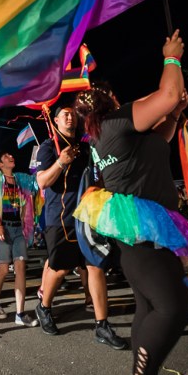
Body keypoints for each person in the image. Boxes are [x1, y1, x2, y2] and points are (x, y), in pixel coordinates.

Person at [73, 31, 188, 375]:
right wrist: (171, 57)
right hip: (144, 231)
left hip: (143, 229)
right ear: (111, 101)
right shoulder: (118, 122)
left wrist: (174, 113)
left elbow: (161, 138)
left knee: (148, 307)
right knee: (173, 309)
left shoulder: (108, 135)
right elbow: (168, 93)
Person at [34, 106, 124, 350]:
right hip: (59, 218)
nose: (70, 116)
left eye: (72, 113)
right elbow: (42, 181)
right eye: (64, 113)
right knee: (60, 268)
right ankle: (43, 307)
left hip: (88, 216)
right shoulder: (47, 146)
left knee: (95, 266)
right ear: (55, 120)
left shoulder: (86, 146)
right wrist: (61, 162)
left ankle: (102, 325)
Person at [0, 151, 39, 327]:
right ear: (0, 164)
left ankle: (20, 313)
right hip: (3, 227)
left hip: (18, 229)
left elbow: (31, 193)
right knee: (3, 269)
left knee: (21, 267)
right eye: (6, 156)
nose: (11, 157)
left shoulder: (20, 179)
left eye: (11, 155)